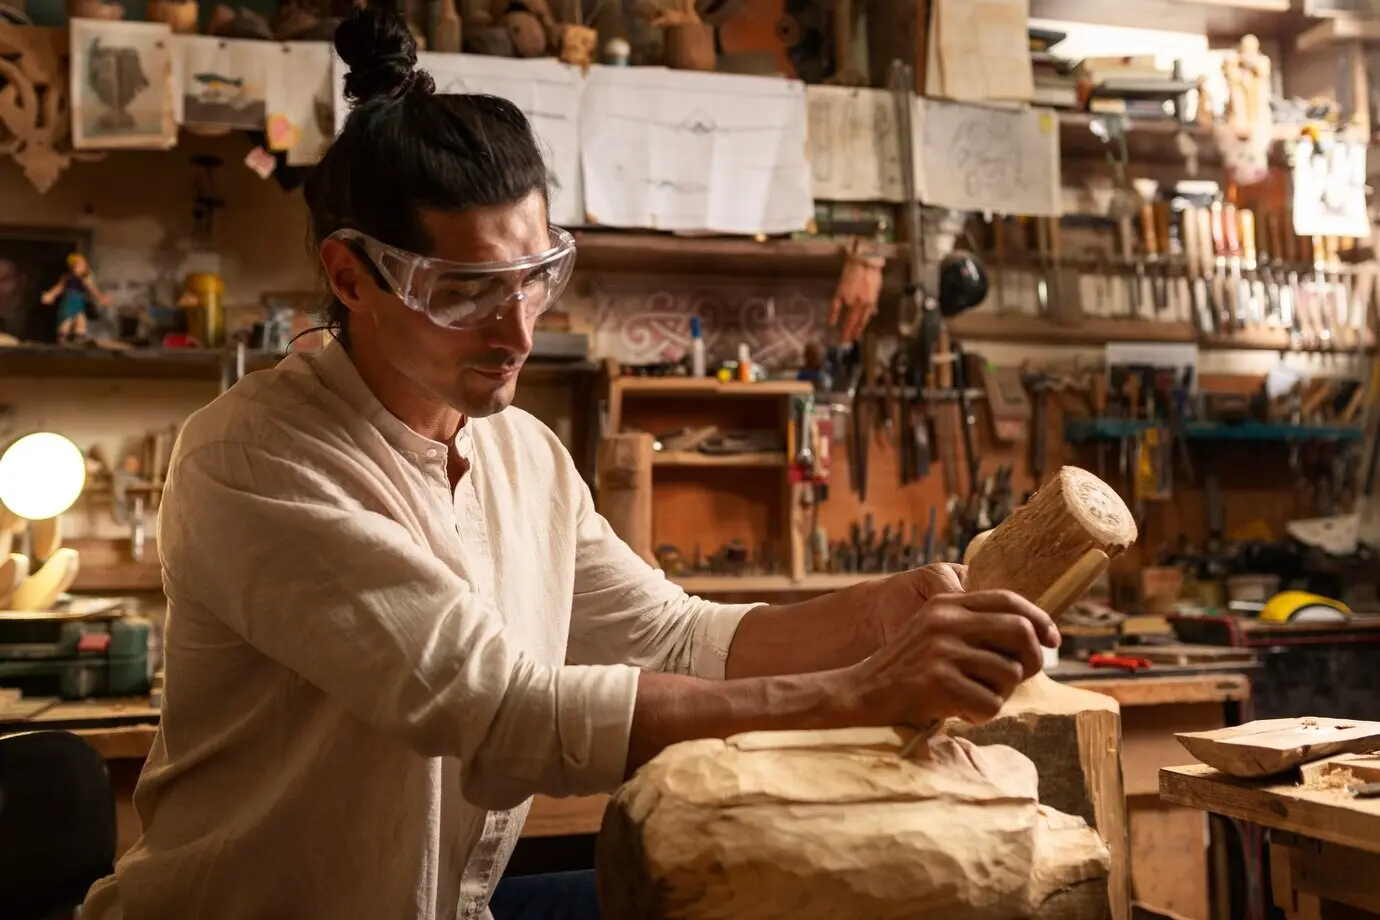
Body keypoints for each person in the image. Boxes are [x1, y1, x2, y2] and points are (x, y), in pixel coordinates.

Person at [80, 6, 1058, 920]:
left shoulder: (521, 453)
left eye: (537, 276)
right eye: (467, 290)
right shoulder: (256, 456)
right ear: (351, 275)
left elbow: (671, 634)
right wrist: (859, 689)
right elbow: (499, 707)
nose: (517, 329)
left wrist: (883, 611)